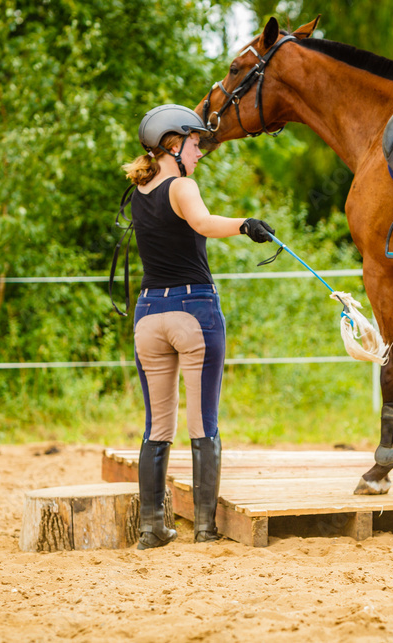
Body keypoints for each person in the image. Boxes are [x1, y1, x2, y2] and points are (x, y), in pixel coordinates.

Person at [118, 104, 275, 549]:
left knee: (156, 426)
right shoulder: (182, 185)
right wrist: (245, 225)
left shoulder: (138, 191)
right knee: (203, 422)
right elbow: (202, 223)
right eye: (195, 142)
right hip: (193, 311)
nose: (201, 151)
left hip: (149, 315)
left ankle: (153, 528)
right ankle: (204, 528)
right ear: (173, 144)